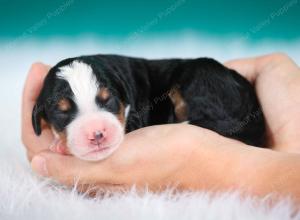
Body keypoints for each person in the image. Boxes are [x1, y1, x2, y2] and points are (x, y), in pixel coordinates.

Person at [22, 53, 300, 202]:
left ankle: (218, 130)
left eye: (106, 104)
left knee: (202, 73)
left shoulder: (139, 90)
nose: (95, 131)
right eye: (65, 117)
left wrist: (212, 159)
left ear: (124, 95)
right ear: (42, 119)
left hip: (216, 91)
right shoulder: (120, 86)